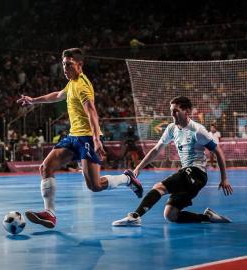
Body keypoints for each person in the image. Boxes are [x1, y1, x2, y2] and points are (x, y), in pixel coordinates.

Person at [17, 48, 143, 229]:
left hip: (87, 138)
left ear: (80, 65)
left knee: (95, 186)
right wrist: (33, 100)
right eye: (63, 65)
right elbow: (58, 95)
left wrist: (97, 139)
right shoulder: (71, 83)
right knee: (46, 167)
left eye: (68, 65)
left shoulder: (83, 85)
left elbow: (91, 111)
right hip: (73, 137)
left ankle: (127, 179)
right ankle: (50, 214)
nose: (64, 68)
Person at [113, 96, 233, 227]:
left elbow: (218, 151)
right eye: (171, 111)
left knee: (159, 187)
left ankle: (135, 216)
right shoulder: (172, 128)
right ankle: (207, 217)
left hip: (197, 173)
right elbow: (156, 149)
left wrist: (224, 178)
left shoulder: (198, 130)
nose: (172, 114)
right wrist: (138, 168)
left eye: (175, 111)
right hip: (187, 173)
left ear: (187, 111)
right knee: (170, 215)